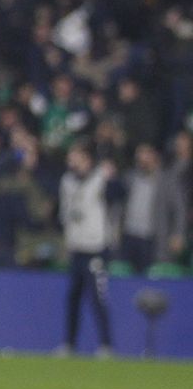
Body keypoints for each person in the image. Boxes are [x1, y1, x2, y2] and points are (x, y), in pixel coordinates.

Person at [57, 143, 118, 357]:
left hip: (96, 248)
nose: (71, 160)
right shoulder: (67, 181)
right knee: (73, 298)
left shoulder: (101, 178)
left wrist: (112, 178)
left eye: (75, 156)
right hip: (76, 247)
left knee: (97, 298)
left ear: (87, 158)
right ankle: (69, 343)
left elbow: (119, 194)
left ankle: (106, 344)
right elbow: (65, 213)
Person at [120, 143, 186, 274]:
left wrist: (178, 234)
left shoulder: (167, 180)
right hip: (130, 234)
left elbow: (179, 209)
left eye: (145, 155)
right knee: (127, 274)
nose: (141, 160)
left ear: (154, 157)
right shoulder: (130, 177)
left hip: (151, 236)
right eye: (139, 156)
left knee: (149, 274)